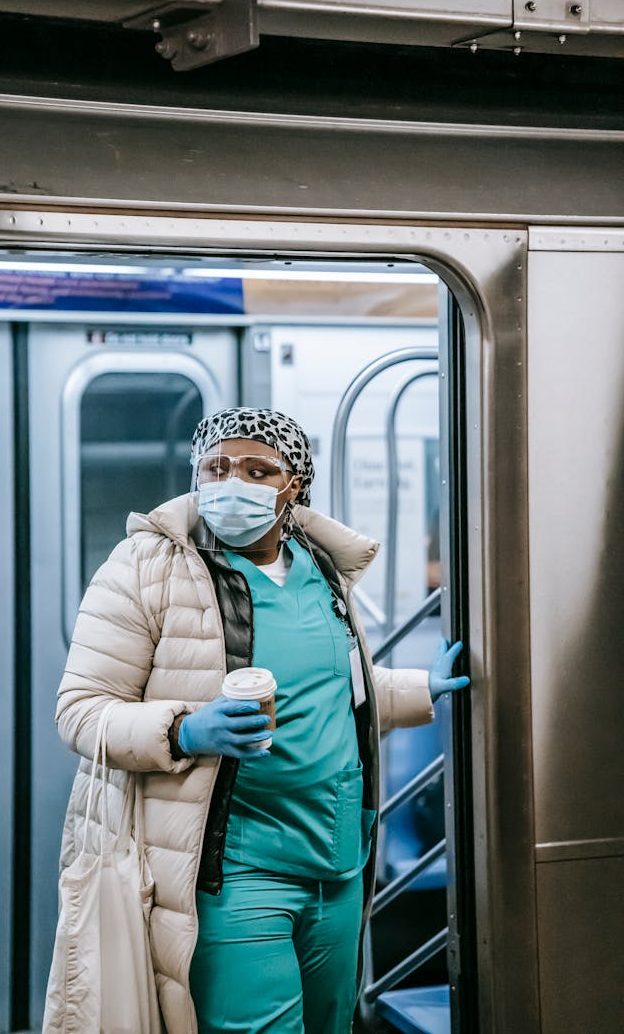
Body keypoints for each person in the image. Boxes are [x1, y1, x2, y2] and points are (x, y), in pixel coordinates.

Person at [55, 407, 468, 1034]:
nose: (232, 482)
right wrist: (184, 731)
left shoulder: (321, 568)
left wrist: (421, 689)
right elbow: (80, 709)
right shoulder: (146, 568)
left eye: (257, 469)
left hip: (336, 863)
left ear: (293, 485)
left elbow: (339, 692)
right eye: (216, 467)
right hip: (233, 870)